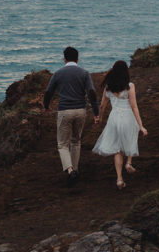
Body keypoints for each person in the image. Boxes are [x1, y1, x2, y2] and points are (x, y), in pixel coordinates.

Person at [43, 46, 100, 186]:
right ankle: (75, 169)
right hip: (80, 111)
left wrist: (46, 106)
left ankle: (69, 171)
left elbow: (48, 92)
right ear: (78, 58)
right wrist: (96, 113)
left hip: (65, 111)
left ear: (64, 59)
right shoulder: (84, 73)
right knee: (76, 140)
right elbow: (91, 93)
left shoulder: (58, 73)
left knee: (62, 144)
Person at [92, 60, 147, 190]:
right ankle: (128, 162)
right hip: (128, 116)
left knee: (117, 149)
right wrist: (141, 125)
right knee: (130, 138)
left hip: (114, 118)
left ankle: (119, 179)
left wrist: (99, 118)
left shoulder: (108, 87)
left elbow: (102, 105)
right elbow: (134, 106)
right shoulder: (129, 86)